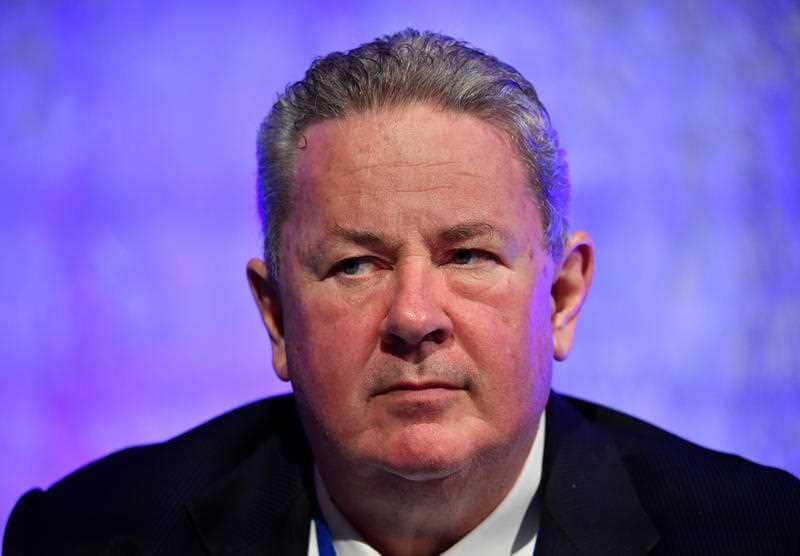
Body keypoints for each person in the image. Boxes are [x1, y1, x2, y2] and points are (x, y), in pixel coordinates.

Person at [4, 29, 799, 556]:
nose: (415, 317)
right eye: (356, 265)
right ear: (276, 314)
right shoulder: (88, 539)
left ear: (560, 299)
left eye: (470, 255)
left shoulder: (755, 538)